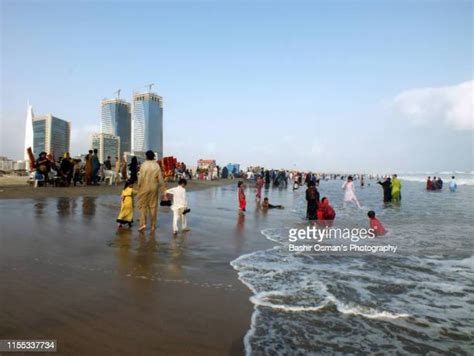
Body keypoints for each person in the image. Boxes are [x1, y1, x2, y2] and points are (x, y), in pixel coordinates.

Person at [136, 151, 167, 232]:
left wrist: (138, 186)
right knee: (153, 207)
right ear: (153, 157)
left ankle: (143, 224)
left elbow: (140, 178)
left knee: (143, 206)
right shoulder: (156, 165)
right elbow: (160, 179)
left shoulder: (143, 165)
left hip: (144, 187)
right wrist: (164, 191)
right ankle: (153, 225)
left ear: (146, 156)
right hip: (154, 188)